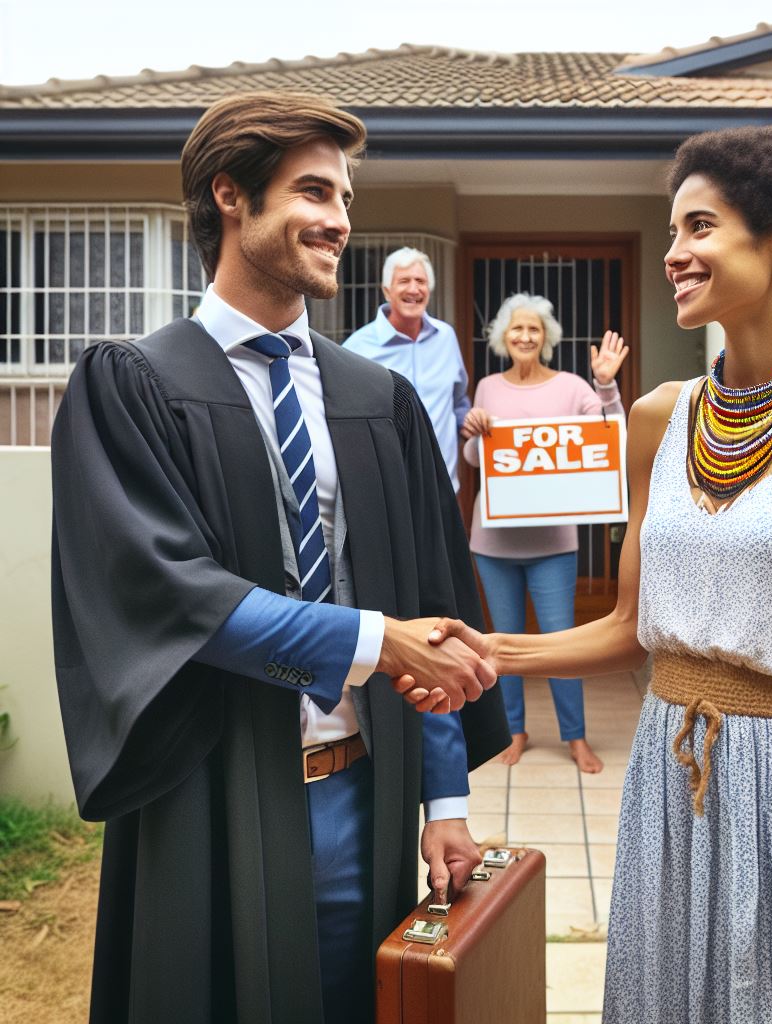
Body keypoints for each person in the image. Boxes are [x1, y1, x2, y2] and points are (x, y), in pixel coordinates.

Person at [423, 126, 772, 1023]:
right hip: (669, 774)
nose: (674, 255)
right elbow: (628, 627)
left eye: (699, 227)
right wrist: (477, 651)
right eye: (670, 231)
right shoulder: (659, 417)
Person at [49, 93, 508, 1024]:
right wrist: (375, 640)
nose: (341, 220)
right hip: (208, 802)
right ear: (230, 195)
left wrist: (444, 801)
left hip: (361, 795)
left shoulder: (376, 399)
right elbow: (170, 593)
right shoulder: (132, 384)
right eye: (312, 192)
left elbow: (431, 604)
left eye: (344, 196)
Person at [459, 293, 628, 773]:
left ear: (547, 337)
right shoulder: (488, 386)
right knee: (503, 643)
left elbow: (610, 442)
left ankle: (575, 737)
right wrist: (473, 435)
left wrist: (606, 385)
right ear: (503, 338)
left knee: (561, 642)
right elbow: (476, 464)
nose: (525, 336)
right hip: (493, 542)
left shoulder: (575, 386)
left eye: (534, 329)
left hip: (554, 543)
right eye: (517, 329)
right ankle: (513, 731)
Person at [343, 247, 470, 492]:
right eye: (404, 281)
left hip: (441, 487)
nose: (413, 289)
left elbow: (458, 403)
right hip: (387, 489)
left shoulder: (446, 337)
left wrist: (471, 420)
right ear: (387, 290)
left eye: (420, 281)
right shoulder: (357, 347)